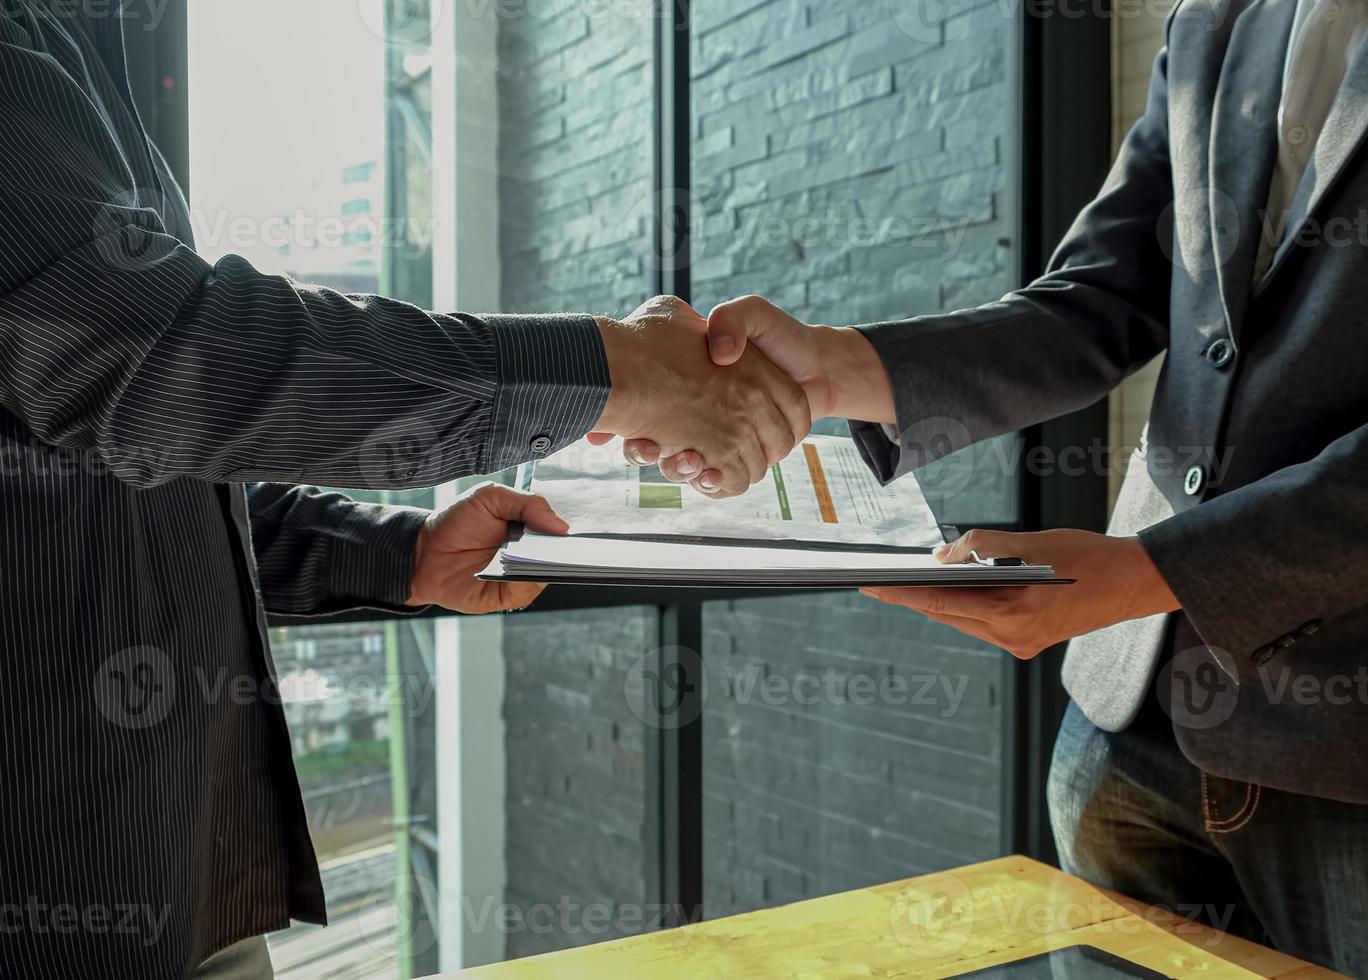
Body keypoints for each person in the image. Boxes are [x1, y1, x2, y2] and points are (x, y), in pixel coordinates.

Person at [0, 4, 809, 977]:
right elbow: (169, 359)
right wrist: (615, 369)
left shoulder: (68, 48)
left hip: (172, 874)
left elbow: (142, 466)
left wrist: (401, 553)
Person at [630, 0, 1368, 972]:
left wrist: (1159, 570)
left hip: (1340, 754)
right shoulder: (1217, 21)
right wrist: (834, 367)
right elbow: (1099, 299)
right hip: (1124, 724)